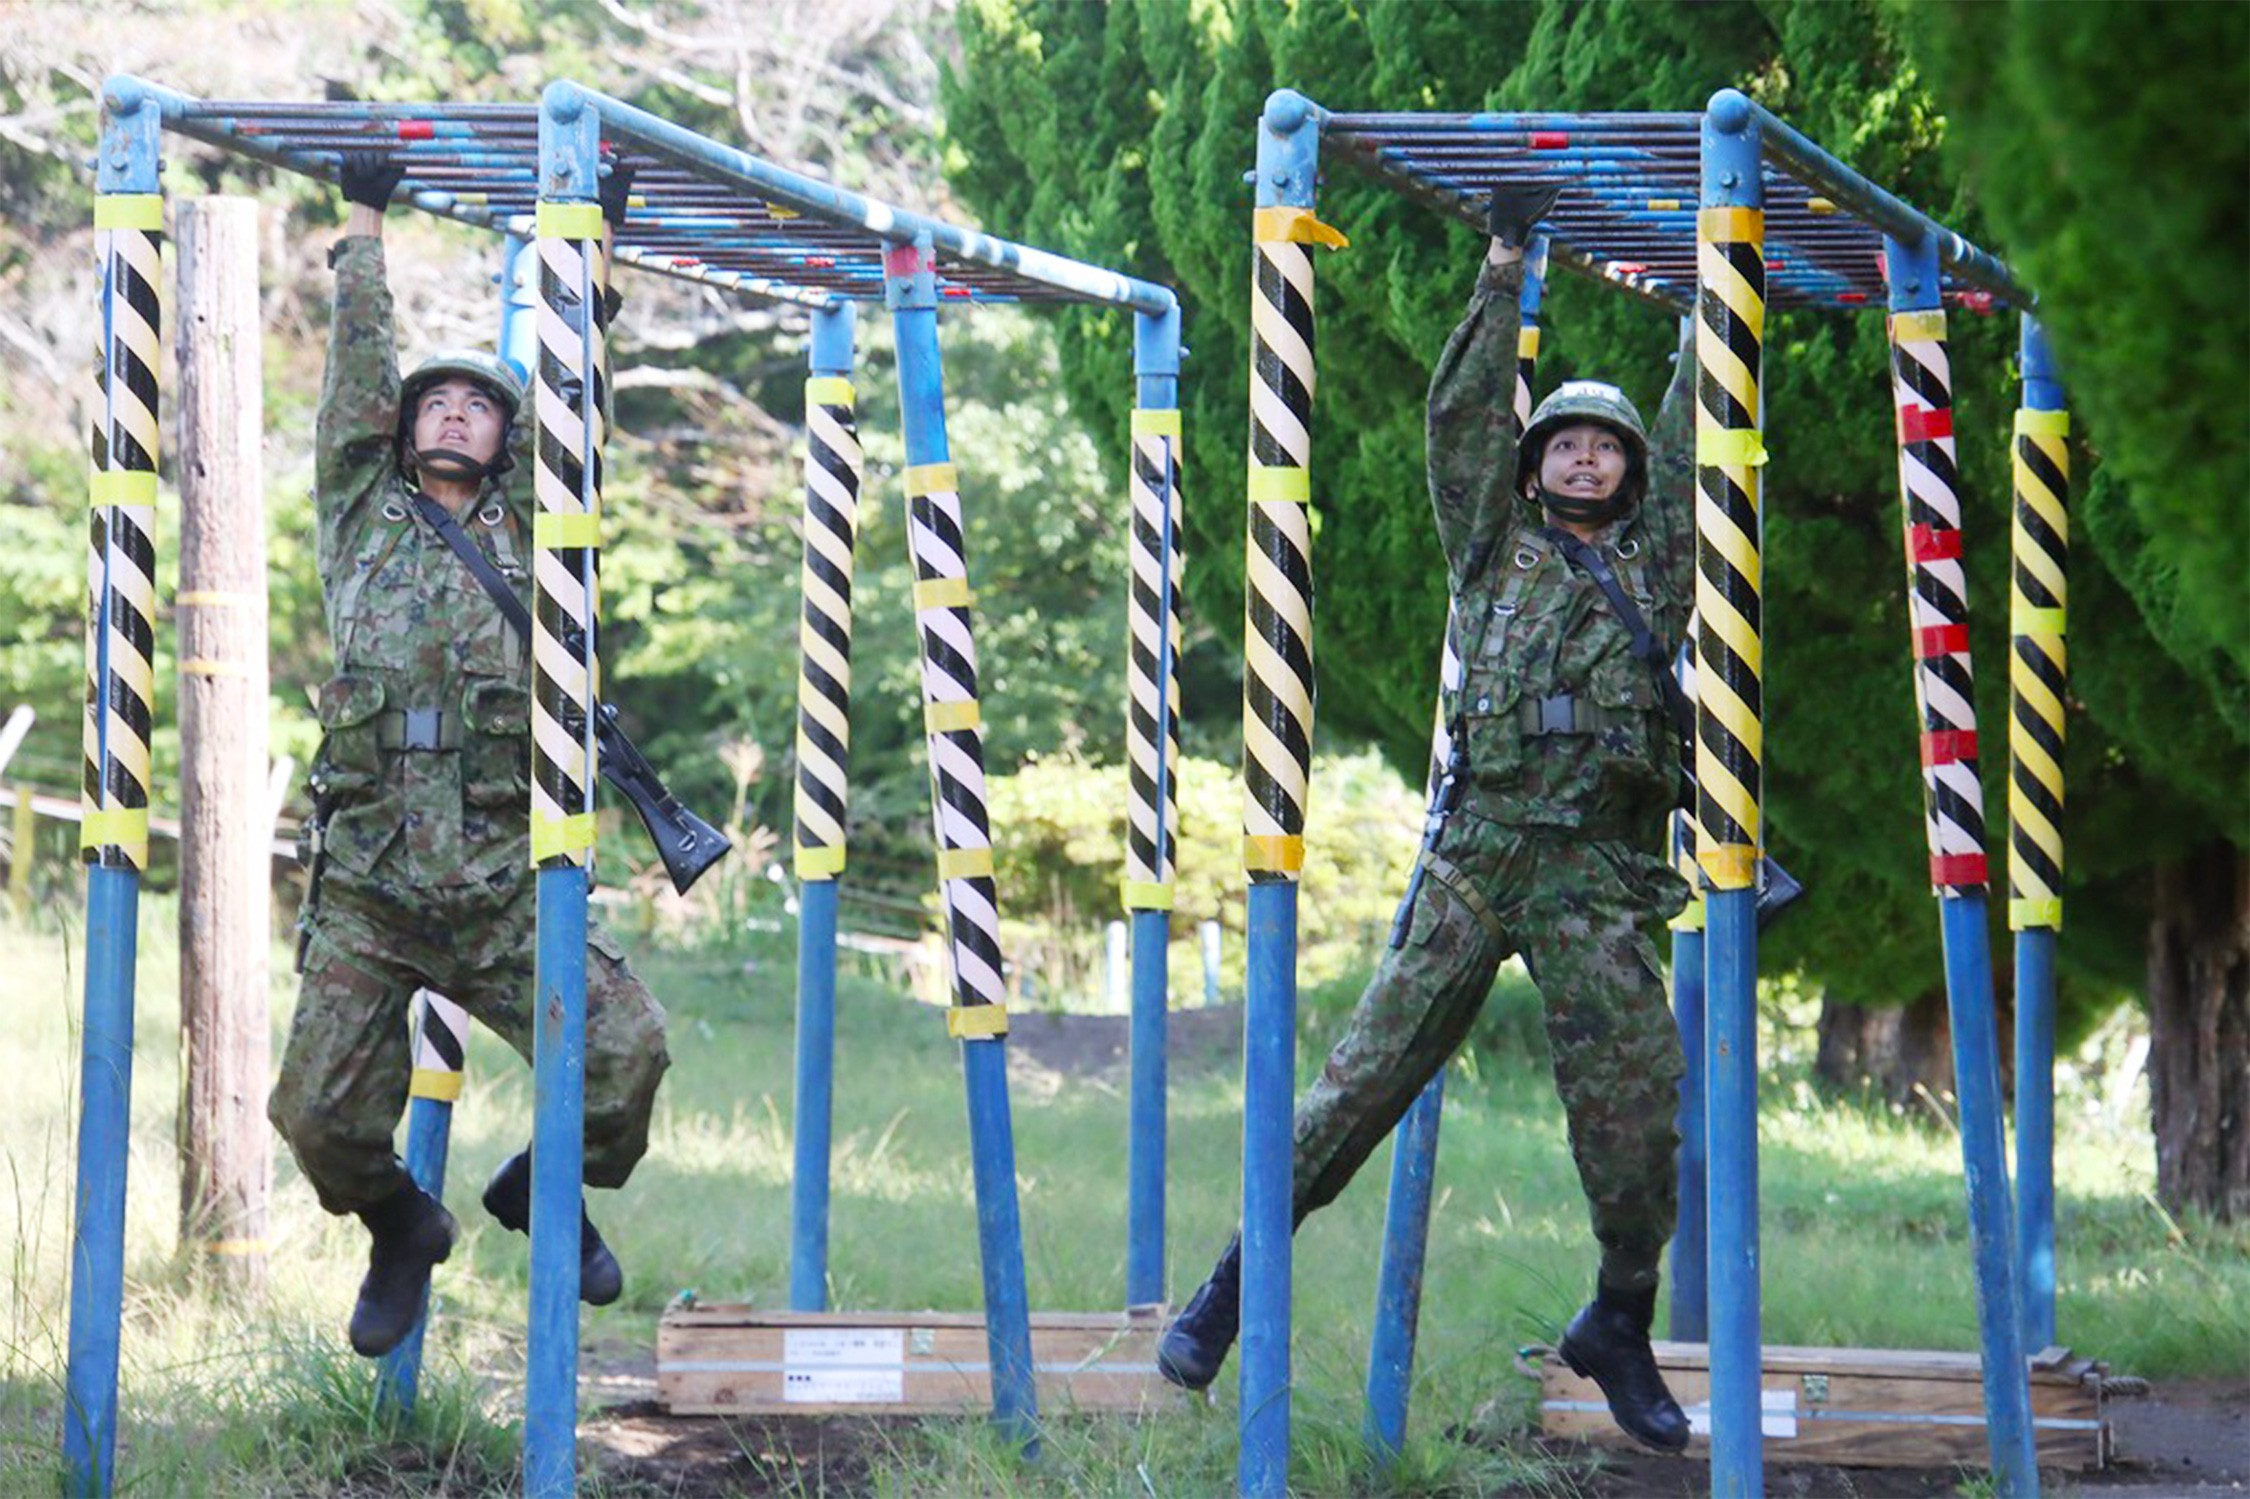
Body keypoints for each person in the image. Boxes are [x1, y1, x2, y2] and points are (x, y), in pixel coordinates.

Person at [1157, 185, 1698, 1452]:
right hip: (1478, 852)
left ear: (1627, 470)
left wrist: (1699, 332)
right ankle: (1231, 1286)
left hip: (1596, 873)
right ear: (1534, 462)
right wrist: (1504, 264)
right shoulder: (1491, 544)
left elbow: (1696, 440)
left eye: (1603, 446)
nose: (1581, 457)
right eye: (1563, 441)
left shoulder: (1664, 562)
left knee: (1637, 1111)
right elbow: (1457, 417)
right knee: (1355, 1086)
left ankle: (1620, 1315)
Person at [269, 150, 671, 1359]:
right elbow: (353, 380)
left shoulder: (538, 530)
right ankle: (401, 1224)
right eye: (432, 399)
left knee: (625, 1054)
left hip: (503, 875)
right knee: (317, 1117)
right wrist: (362, 224)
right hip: (375, 886)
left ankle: (543, 1188)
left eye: (477, 404)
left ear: (502, 438)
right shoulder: (361, 514)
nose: (452, 409)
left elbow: (576, 400)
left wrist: (594, 253)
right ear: (401, 429)